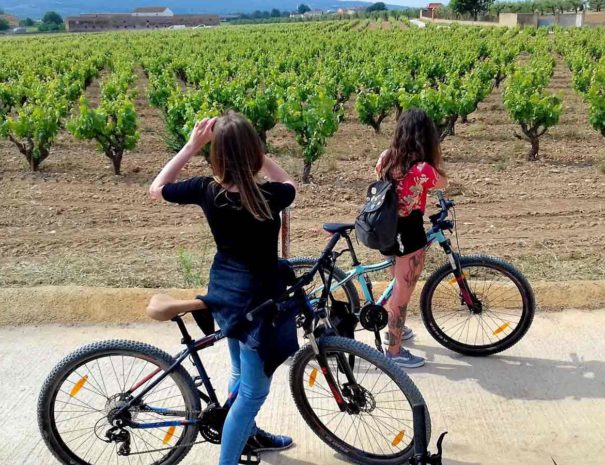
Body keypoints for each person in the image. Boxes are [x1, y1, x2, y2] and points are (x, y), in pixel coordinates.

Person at [149, 111, 296, 464]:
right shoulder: (270, 195)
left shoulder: (206, 190)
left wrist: (190, 146)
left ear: (216, 155)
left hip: (225, 293)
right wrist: (258, 156)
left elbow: (156, 189)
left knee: (238, 373)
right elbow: (291, 184)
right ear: (253, 150)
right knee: (252, 391)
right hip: (255, 302)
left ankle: (249, 435)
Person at [375, 108, 448, 368]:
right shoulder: (422, 169)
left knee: (395, 282)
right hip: (408, 233)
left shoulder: (385, 158)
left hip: (385, 230)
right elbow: (443, 183)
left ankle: (396, 328)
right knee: (402, 293)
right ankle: (393, 351)